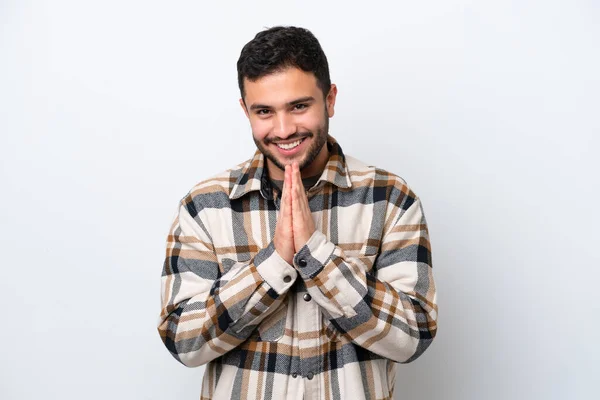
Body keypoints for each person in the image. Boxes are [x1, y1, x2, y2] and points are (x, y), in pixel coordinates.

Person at [157, 26, 438, 400]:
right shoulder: (206, 205)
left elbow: (413, 338)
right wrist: (273, 265)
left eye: (299, 106)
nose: (284, 129)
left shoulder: (391, 199)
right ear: (245, 110)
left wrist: (317, 257)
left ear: (330, 99)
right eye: (264, 111)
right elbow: (183, 343)